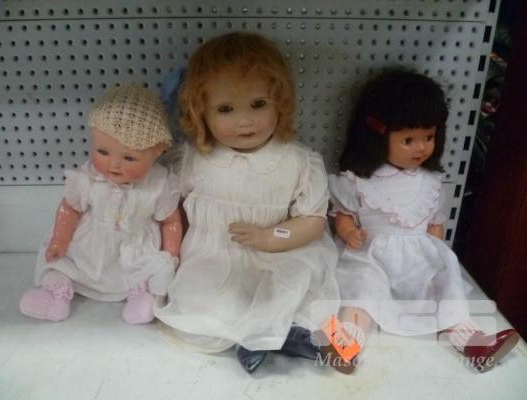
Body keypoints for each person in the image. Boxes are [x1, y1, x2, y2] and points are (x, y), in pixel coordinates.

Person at [154, 32, 340, 373]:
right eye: (225, 109)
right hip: (215, 255)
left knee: (298, 285)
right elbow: (170, 210)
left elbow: (312, 222)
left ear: (280, 102)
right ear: (200, 113)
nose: (245, 121)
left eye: (258, 104)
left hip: (281, 251)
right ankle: (261, 336)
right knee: (197, 303)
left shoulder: (298, 162)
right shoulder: (193, 160)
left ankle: (286, 332)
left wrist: (272, 237)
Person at [328, 69, 519, 373]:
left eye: (429, 137)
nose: (421, 147)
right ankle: (347, 343)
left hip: (419, 255)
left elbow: (435, 224)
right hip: (372, 254)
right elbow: (344, 216)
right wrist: (349, 231)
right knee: (362, 288)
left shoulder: (432, 183)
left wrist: (435, 244)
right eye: (408, 140)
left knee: (445, 283)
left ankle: (471, 341)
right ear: (376, 136)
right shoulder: (358, 181)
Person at [19, 83, 183, 325]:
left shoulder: (159, 184)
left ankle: (142, 297)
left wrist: (171, 255)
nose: (113, 164)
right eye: (103, 152)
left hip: (134, 249)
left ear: (158, 150)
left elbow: (170, 221)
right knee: (61, 263)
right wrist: (61, 238)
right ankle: (56, 294)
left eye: (128, 157)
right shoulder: (88, 177)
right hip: (90, 245)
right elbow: (70, 207)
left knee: (152, 269)